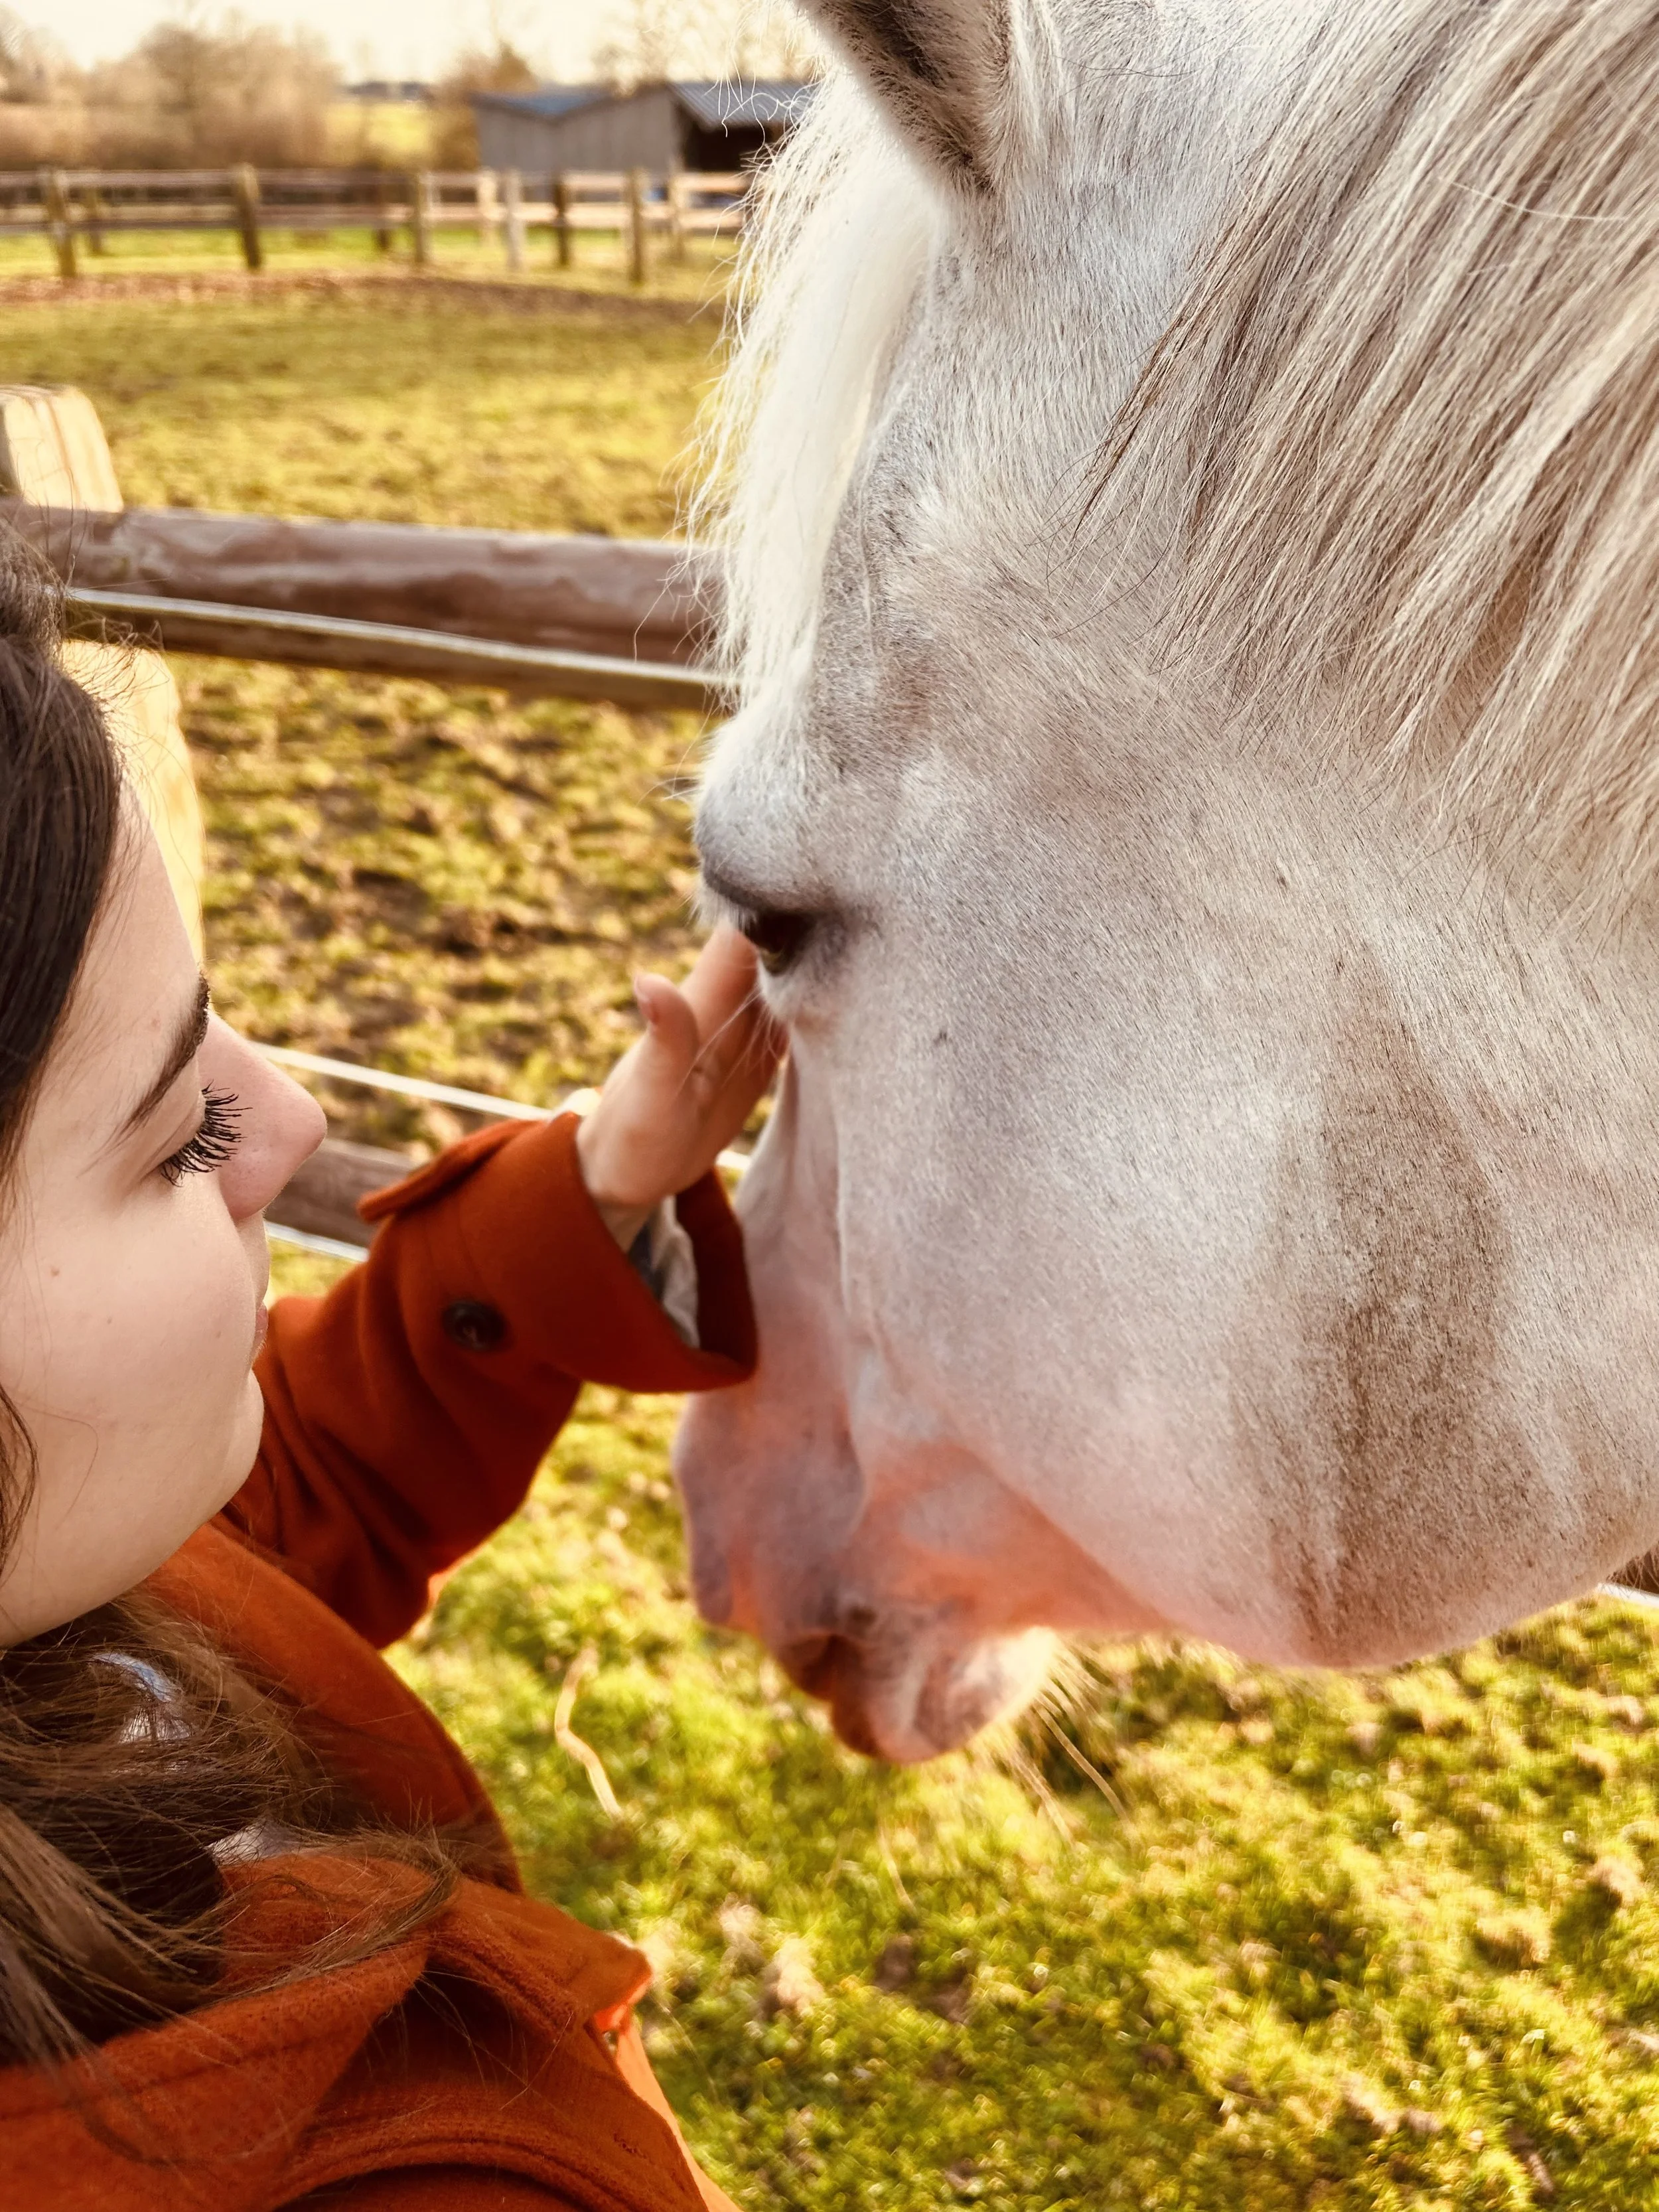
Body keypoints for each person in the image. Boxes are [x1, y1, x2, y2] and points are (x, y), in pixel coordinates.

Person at [0, 545, 780, 2212]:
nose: (283, 1123)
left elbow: (296, 1509)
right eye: (176, 1135)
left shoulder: (68, 1566)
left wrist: (589, 1192)